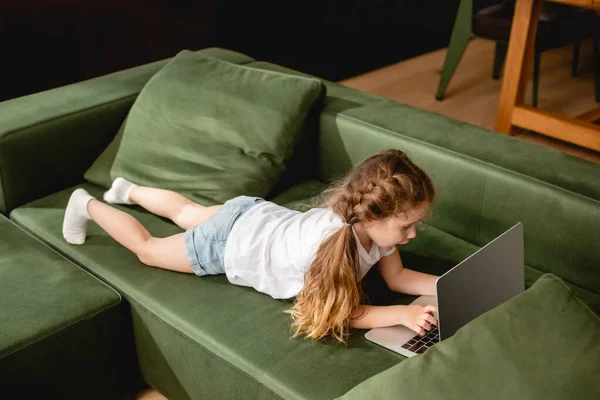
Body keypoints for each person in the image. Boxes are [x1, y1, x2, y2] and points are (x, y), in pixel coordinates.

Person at [63, 149, 439, 343]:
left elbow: (399, 277)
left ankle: (126, 189)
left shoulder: (370, 226)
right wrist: (401, 316)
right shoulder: (328, 250)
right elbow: (339, 313)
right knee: (148, 248)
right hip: (229, 243)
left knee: (187, 211)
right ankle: (87, 204)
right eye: (407, 225)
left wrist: (445, 286)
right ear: (372, 216)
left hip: (254, 216)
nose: (412, 235)